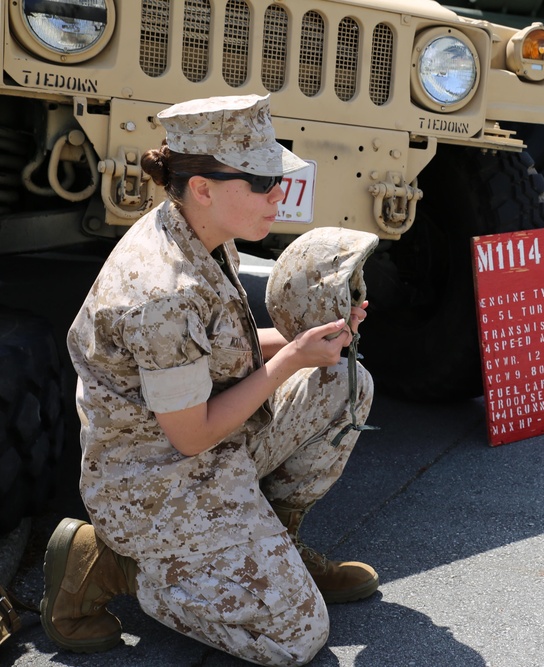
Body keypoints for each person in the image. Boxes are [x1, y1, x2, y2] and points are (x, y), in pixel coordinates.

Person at [41, 94, 378, 666]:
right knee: (295, 640)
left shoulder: (201, 232)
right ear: (203, 186)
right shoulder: (162, 293)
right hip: (156, 485)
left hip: (207, 447)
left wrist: (317, 342)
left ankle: (275, 542)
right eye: (264, 179)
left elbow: (222, 354)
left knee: (345, 382)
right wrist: (294, 355)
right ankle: (111, 564)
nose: (280, 192)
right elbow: (191, 436)